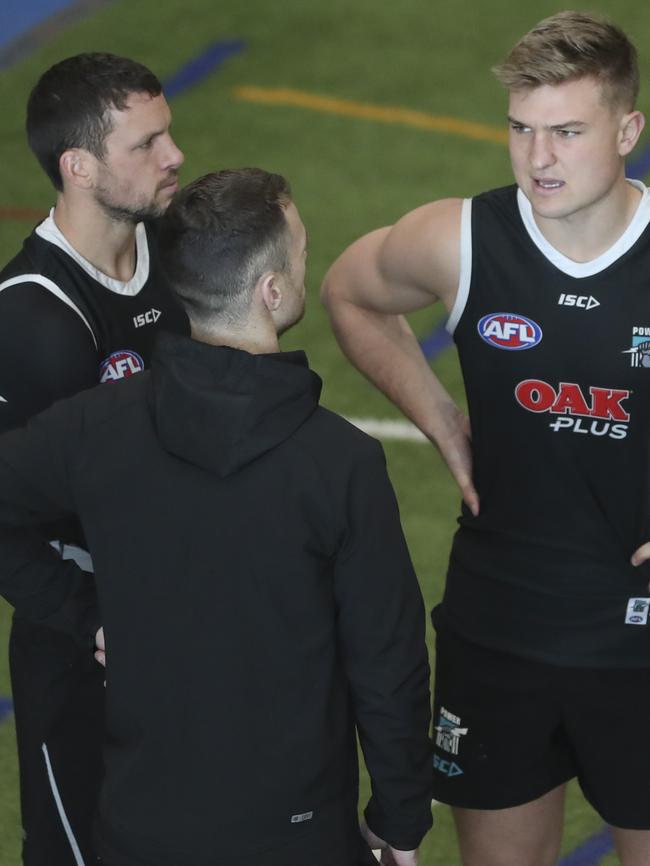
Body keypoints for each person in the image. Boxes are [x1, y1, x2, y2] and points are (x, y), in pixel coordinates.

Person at [0, 167, 433, 866]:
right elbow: (388, 665)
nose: (304, 261)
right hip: (297, 835)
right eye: (298, 252)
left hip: (139, 827)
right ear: (269, 291)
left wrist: (79, 611)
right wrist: (399, 818)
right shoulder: (340, 462)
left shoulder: (94, 427)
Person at [321, 11, 650, 866]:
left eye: (567, 133)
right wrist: (439, 418)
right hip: (499, 631)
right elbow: (349, 294)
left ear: (628, 129)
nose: (539, 159)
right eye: (521, 130)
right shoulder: (458, 240)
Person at [0, 53, 188, 866]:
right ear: (79, 167)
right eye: (146, 145)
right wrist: (93, 620)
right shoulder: (35, 321)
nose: (174, 155)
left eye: (167, 134)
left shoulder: (175, 246)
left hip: (189, 614)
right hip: (86, 655)